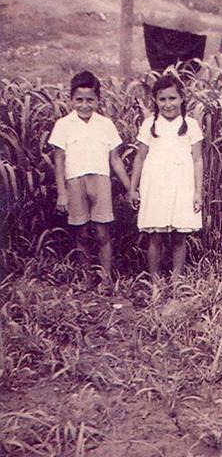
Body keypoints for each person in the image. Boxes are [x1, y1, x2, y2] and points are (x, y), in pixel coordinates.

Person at [48, 70, 130, 292]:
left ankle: (106, 279)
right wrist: (62, 193)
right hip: (75, 183)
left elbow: (115, 159)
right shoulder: (63, 125)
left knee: (103, 233)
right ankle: (86, 278)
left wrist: (129, 187)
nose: (85, 105)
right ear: (71, 99)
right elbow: (59, 160)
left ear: (98, 100)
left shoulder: (105, 124)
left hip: (101, 181)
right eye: (79, 100)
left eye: (90, 100)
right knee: (81, 233)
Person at [128, 74, 203, 288]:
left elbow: (197, 159)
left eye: (172, 98)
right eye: (162, 99)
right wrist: (133, 189)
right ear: (155, 100)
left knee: (180, 236)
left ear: (181, 98)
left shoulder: (190, 125)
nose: (168, 104)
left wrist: (198, 192)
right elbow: (140, 157)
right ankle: (155, 282)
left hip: (182, 185)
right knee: (156, 236)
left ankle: (176, 281)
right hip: (156, 186)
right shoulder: (149, 125)